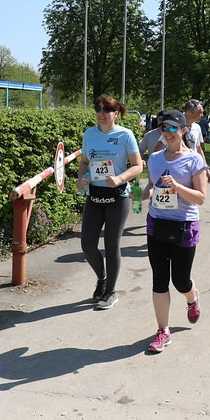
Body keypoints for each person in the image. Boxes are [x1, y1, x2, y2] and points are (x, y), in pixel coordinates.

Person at [140, 110, 207, 353]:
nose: (166, 133)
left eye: (171, 128)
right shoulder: (155, 158)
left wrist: (177, 187)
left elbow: (200, 198)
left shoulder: (193, 160)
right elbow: (149, 187)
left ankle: (192, 297)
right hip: (157, 223)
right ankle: (163, 331)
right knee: (159, 279)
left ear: (183, 130)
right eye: (162, 128)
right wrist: (141, 195)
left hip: (184, 225)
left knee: (180, 280)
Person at [76, 94, 143, 310]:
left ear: (116, 113)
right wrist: (81, 178)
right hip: (95, 195)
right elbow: (85, 162)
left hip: (118, 197)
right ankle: (102, 278)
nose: (101, 113)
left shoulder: (125, 135)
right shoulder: (90, 134)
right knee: (87, 244)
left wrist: (120, 178)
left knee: (111, 245)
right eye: (98, 108)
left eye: (106, 109)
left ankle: (110, 292)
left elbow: (138, 166)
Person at [183, 99, 210, 184]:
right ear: (192, 112)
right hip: (177, 170)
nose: (202, 115)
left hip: (193, 169)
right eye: (200, 112)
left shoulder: (197, 128)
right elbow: (160, 147)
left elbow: (199, 149)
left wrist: (206, 169)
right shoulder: (174, 127)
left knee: (196, 195)